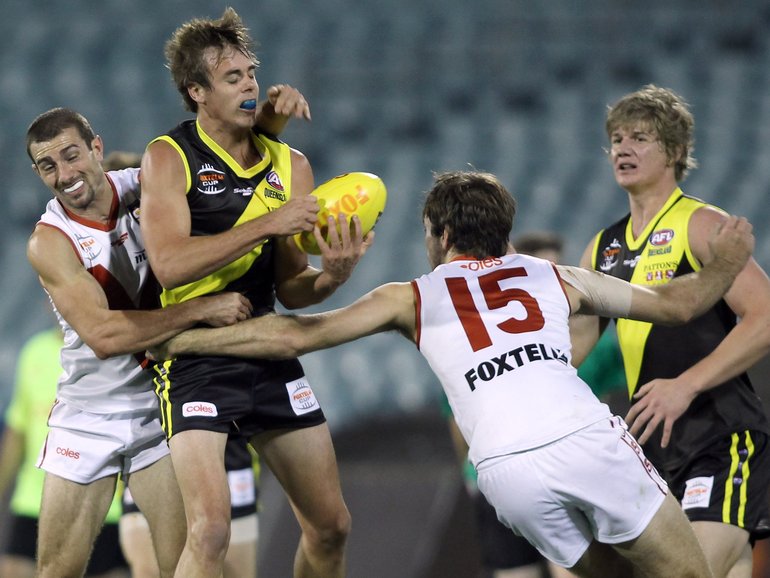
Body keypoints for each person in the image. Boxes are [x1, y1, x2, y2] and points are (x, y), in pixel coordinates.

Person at [148, 170, 756, 577]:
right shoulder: (556, 277)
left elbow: (295, 334)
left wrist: (186, 336)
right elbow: (680, 304)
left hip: (503, 472)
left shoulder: (411, 297)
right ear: (504, 231)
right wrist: (727, 262)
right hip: (584, 437)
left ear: (440, 235)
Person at [139, 8, 369, 577]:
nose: (250, 84)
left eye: (251, 72)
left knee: (331, 524)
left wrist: (333, 275)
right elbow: (168, 267)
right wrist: (269, 223)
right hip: (196, 356)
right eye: (232, 77)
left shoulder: (291, 165)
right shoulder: (168, 156)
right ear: (196, 92)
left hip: (266, 347)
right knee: (212, 531)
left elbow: (293, 286)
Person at [24, 107, 255, 578]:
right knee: (55, 572)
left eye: (72, 156)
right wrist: (199, 311)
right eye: (49, 166)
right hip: (89, 415)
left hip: (162, 407)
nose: (64, 174)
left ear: (97, 148)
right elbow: (105, 336)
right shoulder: (50, 241)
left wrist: (271, 119)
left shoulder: (148, 186)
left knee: (181, 566)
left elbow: (232, 169)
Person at [569, 84, 770, 578]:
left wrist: (686, 386)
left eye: (640, 137)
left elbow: (765, 318)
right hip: (653, 446)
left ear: (676, 152)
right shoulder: (603, 248)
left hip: (721, 436)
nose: (622, 148)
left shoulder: (701, 224)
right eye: (616, 138)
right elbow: (571, 349)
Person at [101, 151, 263, 578]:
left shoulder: (193, 253)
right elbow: (121, 341)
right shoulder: (118, 272)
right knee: (153, 567)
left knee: (234, 568)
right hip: (155, 438)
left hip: (222, 435)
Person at [0, 325, 128, 578]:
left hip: (104, 505)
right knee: (13, 569)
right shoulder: (35, 350)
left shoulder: (115, 350)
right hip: (31, 501)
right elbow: (18, 427)